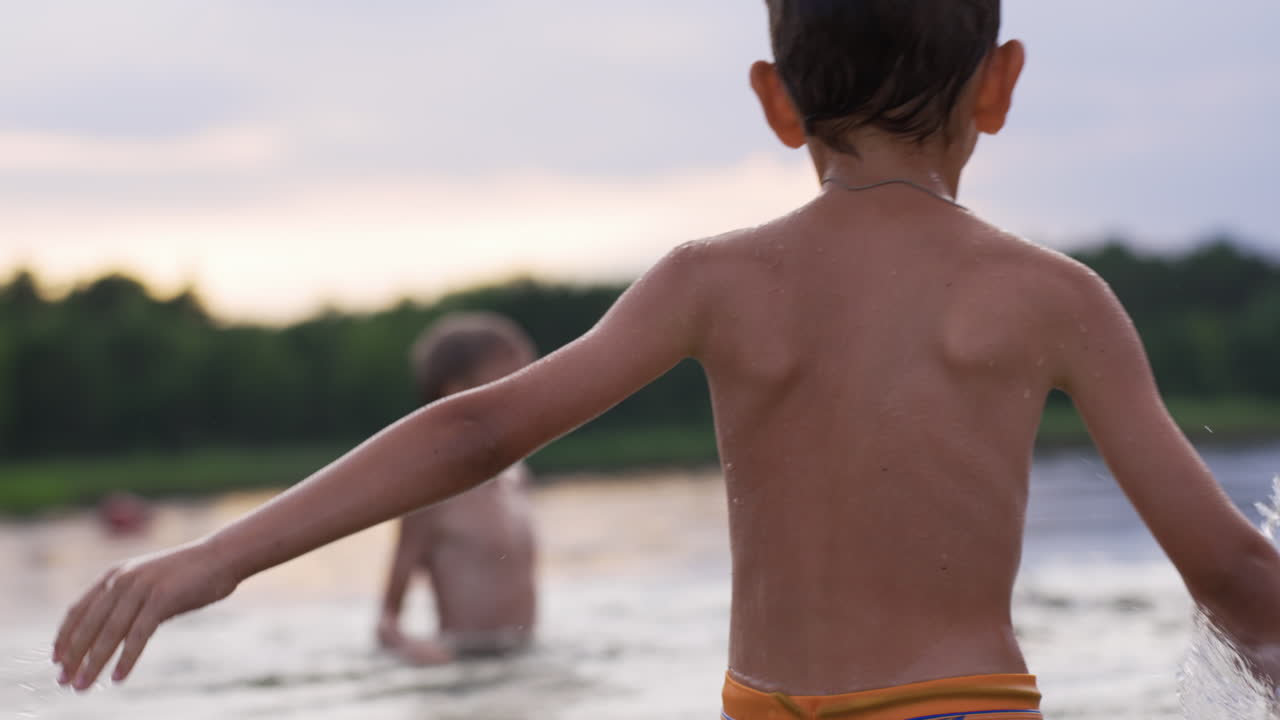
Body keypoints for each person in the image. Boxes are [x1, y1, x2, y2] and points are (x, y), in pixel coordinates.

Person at [52, 1, 1280, 717]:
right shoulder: (1053, 299)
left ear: (774, 101)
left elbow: (476, 430)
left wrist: (215, 556)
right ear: (999, 85)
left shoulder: (710, 282)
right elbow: (1227, 570)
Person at [376, 312, 538, 665]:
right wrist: (428, 658)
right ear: (457, 391)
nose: (527, 394)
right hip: (465, 668)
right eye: (510, 380)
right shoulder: (431, 494)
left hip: (526, 661)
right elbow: (387, 621)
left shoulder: (517, 477)